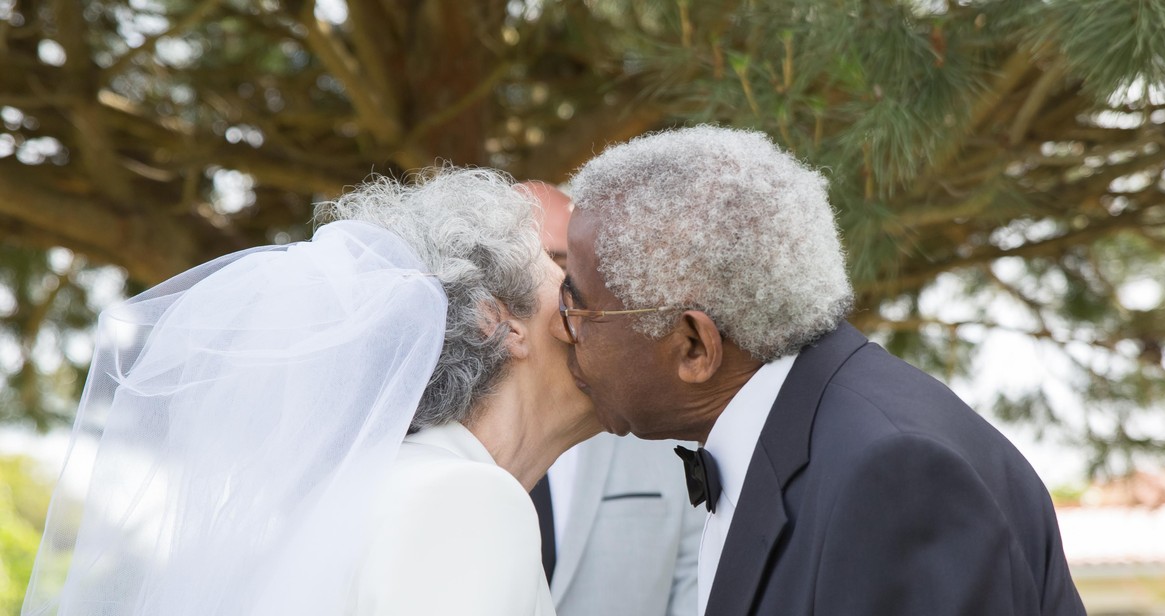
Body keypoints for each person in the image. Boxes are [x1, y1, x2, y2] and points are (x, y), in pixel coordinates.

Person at [557, 126, 1087, 615]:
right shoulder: (819, 433)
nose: (562, 329)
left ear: (695, 346)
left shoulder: (892, 474)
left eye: (575, 305)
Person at [23, 168, 599, 616]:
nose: (589, 309)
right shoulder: (466, 497)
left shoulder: (375, 486)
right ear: (493, 321)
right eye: (564, 285)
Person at [518, 181, 704, 616]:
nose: (544, 296)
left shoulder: (655, 417)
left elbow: (696, 578)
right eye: (521, 271)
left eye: (559, 266)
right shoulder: (432, 443)